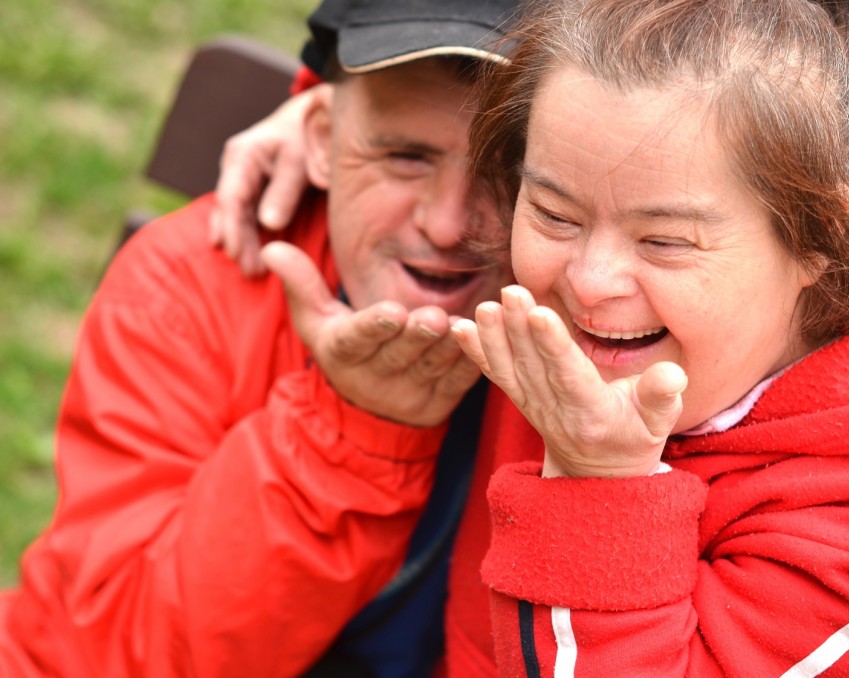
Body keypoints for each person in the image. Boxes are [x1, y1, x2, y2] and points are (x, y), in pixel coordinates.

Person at [442, 0, 849, 674]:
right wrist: (329, 111)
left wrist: (598, 486)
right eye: (554, 213)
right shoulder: (572, 303)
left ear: (821, 237)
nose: (590, 280)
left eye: (663, 241)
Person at [0, 0, 519, 676]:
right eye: (405, 157)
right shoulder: (189, 283)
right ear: (319, 137)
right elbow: (116, 652)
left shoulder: (614, 350)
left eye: (506, 168)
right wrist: (354, 435)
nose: (448, 224)